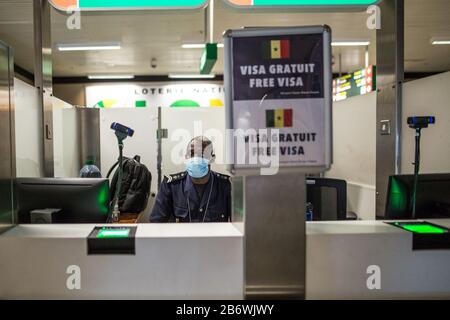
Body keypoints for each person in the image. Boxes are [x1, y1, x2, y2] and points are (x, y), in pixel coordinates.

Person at [150, 136, 231, 223]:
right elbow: (156, 222)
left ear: (212, 159)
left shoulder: (226, 185)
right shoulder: (171, 185)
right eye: (191, 153)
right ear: (186, 156)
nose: (196, 158)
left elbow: (239, 225)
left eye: (202, 154)